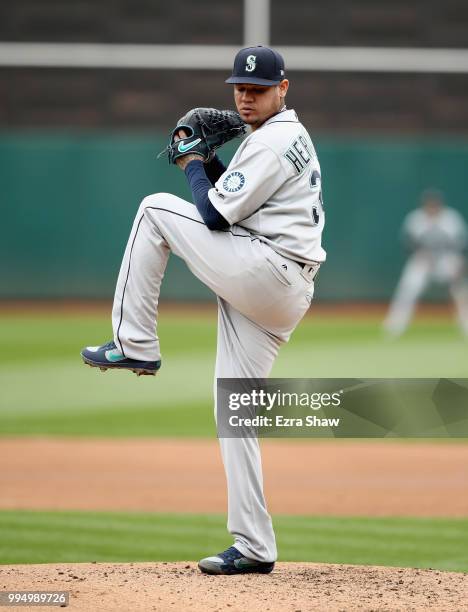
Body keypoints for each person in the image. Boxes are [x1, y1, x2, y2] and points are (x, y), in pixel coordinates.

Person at [81, 45, 326, 575]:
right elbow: (233, 204)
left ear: (284, 89)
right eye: (240, 86)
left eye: (258, 89)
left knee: (153, 209)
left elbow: (213, 216)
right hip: (281, 285)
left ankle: (135, 345)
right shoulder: (282, 136)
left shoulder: (272, 142)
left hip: (268, 270)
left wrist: (193, 160)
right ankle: (256, 545)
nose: (245, 95)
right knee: (234, 412)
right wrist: (211, 162)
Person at [384, 189, 468, 337]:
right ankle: (394, 327)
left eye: (434, 204)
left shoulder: (451, 219)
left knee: (461, 290)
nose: (432, 207)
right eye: (429, 204)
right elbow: (408, 244)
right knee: (408, 287)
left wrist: (459, 264)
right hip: (423, 261)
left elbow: (461, 245)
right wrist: (421, 254)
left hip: (446, 260)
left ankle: (466, 325)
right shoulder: (416, 219)